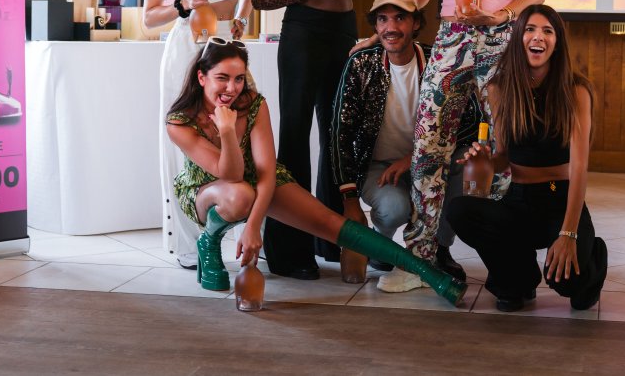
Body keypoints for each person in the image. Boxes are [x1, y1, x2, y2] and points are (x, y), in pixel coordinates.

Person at [356, 0, 546, 291]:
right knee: (428, 149)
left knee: (501, 150)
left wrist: (502, 15)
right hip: (450, 40)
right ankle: (420, 261)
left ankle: (508, 261)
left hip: (499, 41)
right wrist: (385, 24)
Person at [165, 40, 466, 306]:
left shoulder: (253, 104)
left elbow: (266, 172)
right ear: (202, 77)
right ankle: (209, 240)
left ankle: (429, 274)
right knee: (240, 194)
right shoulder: (180, 122)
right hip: (207, 189)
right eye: (222, 78)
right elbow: (230, 174)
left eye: (239, 79)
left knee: (329, 222)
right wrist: (227, 131)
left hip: (257, 179)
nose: (232, 89)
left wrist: (254, 226)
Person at [252, 0, 370, 279]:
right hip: (301, 31)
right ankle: (289, 250)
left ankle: (332, 238)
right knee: (296, 134)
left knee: (337, 133)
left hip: (342, 30)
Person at [446, 4, 608, 312]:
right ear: (519, 37)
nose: (538, 37)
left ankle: (594, 255)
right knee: (460, 210)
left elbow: (580, 166)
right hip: (519, 198)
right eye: (530, 29)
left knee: (570, 287)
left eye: (548, 31)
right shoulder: (499, 87)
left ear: (557, 42)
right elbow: (504, 158)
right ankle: (518, 278)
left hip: (560, 198)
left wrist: (569, 233)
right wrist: (485, 161)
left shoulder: (576, 90)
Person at [143, 0, 254, 269]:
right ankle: (191, 244)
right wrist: (183, 4)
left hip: (228, 45)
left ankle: (240, 232)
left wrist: (242, 15)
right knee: (191, 140)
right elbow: (148, 18)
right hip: (190, 49)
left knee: (237, 133)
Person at [331, 0, 479, 285]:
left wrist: (414, 158)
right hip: (379, 166)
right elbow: (340, 132)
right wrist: (349, 199)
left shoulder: (439, 64)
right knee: (394, 209)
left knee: (467, 161)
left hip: (430, 160)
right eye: (382, 19)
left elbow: (470, 120)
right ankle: (381, 246)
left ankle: (440, 249)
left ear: (416, 23)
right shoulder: (361, 64)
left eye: (400, 18)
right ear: (375, 26)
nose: (391, 27)